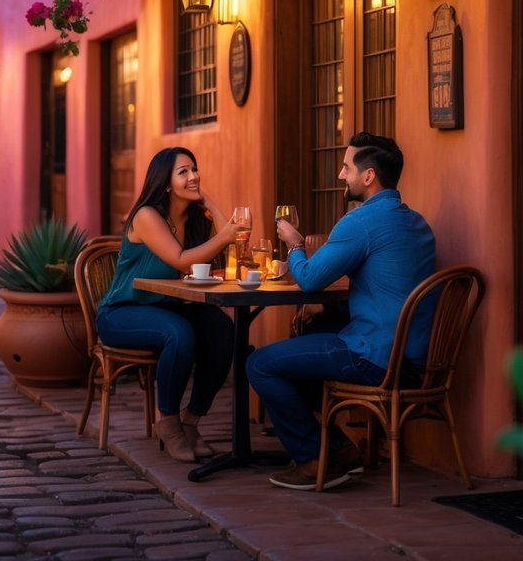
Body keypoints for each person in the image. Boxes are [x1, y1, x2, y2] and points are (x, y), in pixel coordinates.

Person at [247, 132, 436, 490]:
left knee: (259, 364)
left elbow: (311, 279)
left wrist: (295, 244)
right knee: (308, 333)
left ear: (368, 177)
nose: (340, 175)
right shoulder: (416, 222)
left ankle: (313, 458)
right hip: (416, 358)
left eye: (346, 167)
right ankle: (340, 449)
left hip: (377, 358)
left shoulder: (361, 221)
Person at [95, 147, 241, 462]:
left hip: (169, 307)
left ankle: (192, 421)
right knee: (179, 334)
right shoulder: (147, 215)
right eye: (184, 172)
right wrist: (226, 235)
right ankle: (169, 422)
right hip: (122, 313)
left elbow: (228, 244)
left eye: (195, 169)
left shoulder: (192, 218)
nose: (194, 176)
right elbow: (180, 259)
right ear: (165, 182)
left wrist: (210, 202)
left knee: (223, 330)